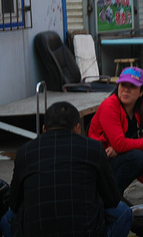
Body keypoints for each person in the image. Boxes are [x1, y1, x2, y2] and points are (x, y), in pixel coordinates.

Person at [1, 102, 132, 237]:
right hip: (86, 232)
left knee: (6, 219)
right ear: (77, 128)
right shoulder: (94, 148)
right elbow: (112, 199)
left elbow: (14, 203)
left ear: (44, 129)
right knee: (123, 211)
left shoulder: (25, 152)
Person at [88, 67, 143, 203]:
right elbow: (128, 143)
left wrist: (122, 148)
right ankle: (111, 198)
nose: (126, 89)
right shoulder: (109, 105)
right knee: (137, 156)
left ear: (141, 91)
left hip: (120, 154)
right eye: (123, 84)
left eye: (132, 86)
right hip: (102, 161)